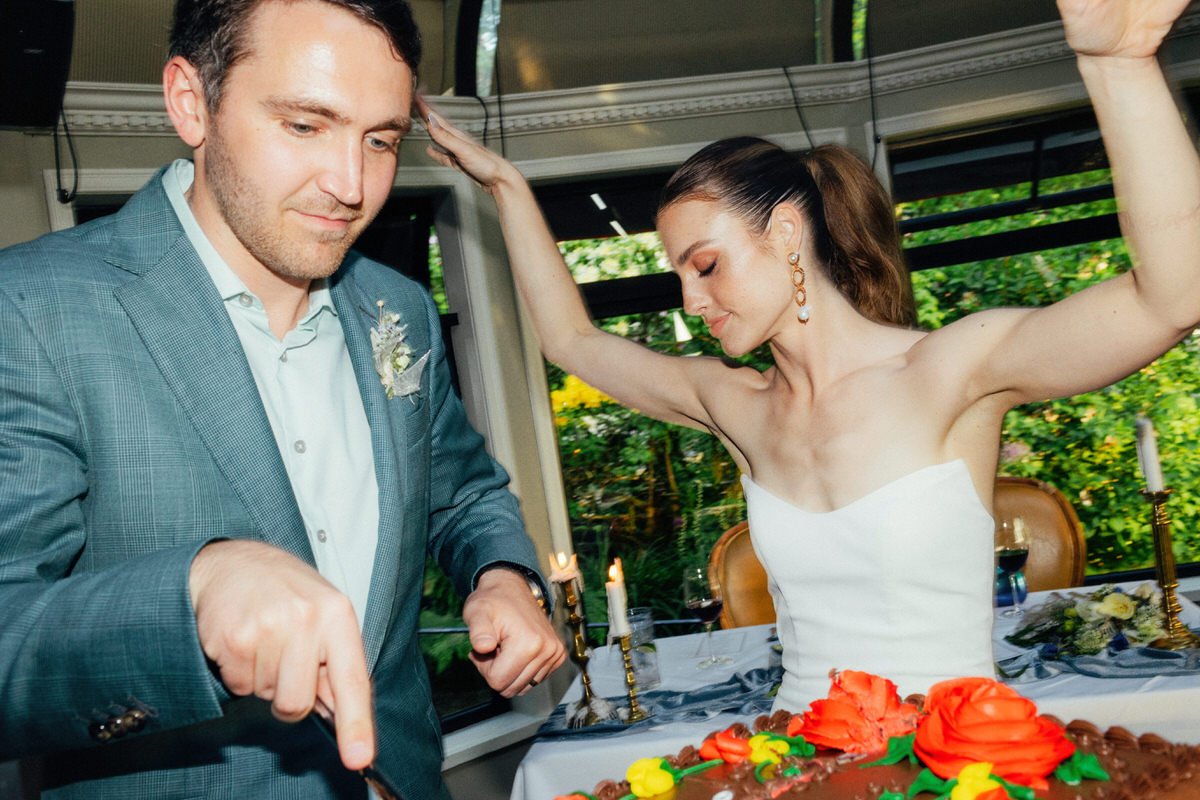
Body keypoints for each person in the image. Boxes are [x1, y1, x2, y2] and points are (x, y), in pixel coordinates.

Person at [422, 0, 1199, 711]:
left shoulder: (951, 370)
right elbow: (572, 341)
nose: (690, 301)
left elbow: (1173, 296)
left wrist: (1118, 63)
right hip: (797, 756)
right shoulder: (735, 405)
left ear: (787, 233)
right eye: (679, 276)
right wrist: (506, 188)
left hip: (953, 763)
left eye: (705, 265)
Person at [0, 0, 564, 797]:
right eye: (305, 125)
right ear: (191, 102)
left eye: (380, 141)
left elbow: (465, 493)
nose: (349, 186)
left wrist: (503, 574)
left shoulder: (400, 310)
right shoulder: (30, 310)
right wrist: (193, 595)